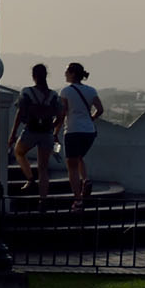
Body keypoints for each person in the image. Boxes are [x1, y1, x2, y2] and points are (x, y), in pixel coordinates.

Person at [7, 65, 60, 206]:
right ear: (46, 75)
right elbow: (61, 115)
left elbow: (20, 113)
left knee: (19, 152)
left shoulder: (27, 92)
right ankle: (43, 200)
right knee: (43, 168)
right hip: (47, 133)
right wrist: (53, 127)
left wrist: (13, 133)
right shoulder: (53, 95)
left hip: (31, 130)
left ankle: (30, 178)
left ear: (33, 76)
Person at [60, 61, 104, 207]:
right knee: (78, 157)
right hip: (89, 132)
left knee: (71, 166)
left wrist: (55, 130)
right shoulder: (91, 90)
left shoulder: (66, 91)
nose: (65, 74)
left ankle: (78, 200)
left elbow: (62, 113)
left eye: (67, 71)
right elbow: (100, 109)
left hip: (73, 131)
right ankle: (86, 179)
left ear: (72, 74)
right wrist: (91, 118)